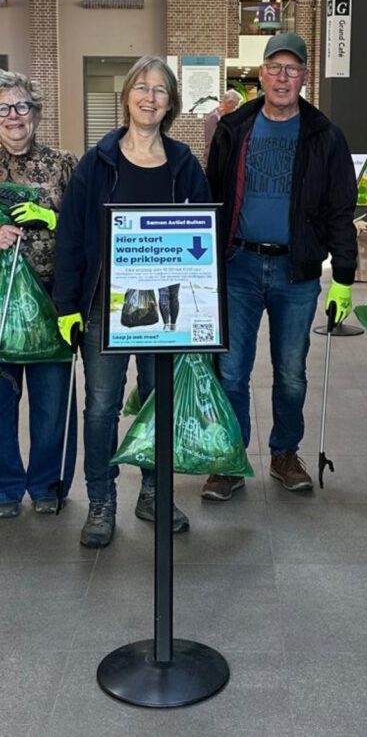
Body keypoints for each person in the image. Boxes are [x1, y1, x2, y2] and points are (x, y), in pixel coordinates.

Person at [54, 56, 211, 548]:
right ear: (126, 97)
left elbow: (204, 231)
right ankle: (101, 500)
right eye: (141, 88)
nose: (150, 97)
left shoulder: (184, 164)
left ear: (171, 103)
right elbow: (72, 237)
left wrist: (205, 312)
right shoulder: (97, 163)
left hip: (169, 311)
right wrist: (68, 305)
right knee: (102, 407)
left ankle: (154, 493)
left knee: (156, 402)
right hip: (106, 308)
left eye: (160, 90)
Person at [201, 32, 357, 502]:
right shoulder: (235, 129)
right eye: (275, 67)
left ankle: (284, 453)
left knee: (291, 372)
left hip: (297, 272)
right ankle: (230, 459)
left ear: (305, 77)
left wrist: (344, 278)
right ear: (261, 74)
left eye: (292, 69)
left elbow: (339, 210)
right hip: (240, 265)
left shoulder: (325, 135)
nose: (282, 77)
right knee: (232, 371)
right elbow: (211, 197)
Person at [0, 69, 78, 518]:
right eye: (5, 108)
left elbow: (87, 228)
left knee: (51, 400)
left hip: (51, 298)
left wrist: (53, 220)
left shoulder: (64, 164)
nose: (14, 116)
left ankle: (47, 484)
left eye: (22, 106)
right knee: (0, 399)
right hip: (1, 300)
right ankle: (6, 486)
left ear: (36, 113)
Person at [203, 89, 242, 165]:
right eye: (236, 105)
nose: (237, 108)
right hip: (215, 161)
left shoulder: (224, 116)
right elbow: (211, 142)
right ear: (229, 103)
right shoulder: (214, 117)